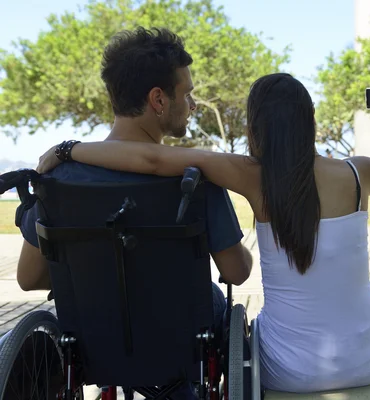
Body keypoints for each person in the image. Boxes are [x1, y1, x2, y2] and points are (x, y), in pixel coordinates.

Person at [37, 73, 370, 393]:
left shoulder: (252, 175)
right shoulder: (356, 173)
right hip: (369, 361)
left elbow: (152, 160)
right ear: (310, 122)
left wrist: (70, 150)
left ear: (254, 128)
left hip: (288, 370)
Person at [19, 27, 252, 398]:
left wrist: (96, 276)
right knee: (214, 299)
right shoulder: (194, 177)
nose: (192, 105)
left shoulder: (56, 178)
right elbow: (236, 272)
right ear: (158, 99)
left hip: (95, 336)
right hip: (178, 343)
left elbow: (29, 278)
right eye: (187, 93)